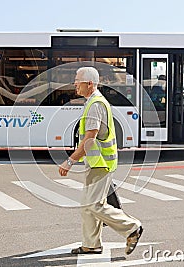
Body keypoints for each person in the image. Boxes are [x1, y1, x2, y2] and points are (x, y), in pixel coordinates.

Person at [58, 66, 143, 255]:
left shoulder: (95, 105)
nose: (74, 84)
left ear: (89, 84)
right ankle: (91, 244)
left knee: (93, 205)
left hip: (101, 165)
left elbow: (90, 139)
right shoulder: (93, 102)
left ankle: (131, 227)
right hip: (96, 164)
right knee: (87, 206)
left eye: (77, 80)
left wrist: (70, 161)